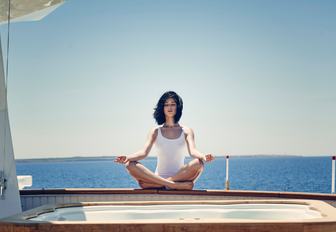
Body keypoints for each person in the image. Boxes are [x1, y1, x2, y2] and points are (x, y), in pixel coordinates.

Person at [114, 91, 214, 190]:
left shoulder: (186, 130)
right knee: (129, 164)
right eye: (166, 105)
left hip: (180, 176)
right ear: (162, 108)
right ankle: (172, 185)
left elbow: (193, 151)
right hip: (160, 177)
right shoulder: (155, 131)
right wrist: (127, 157)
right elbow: (143, 153)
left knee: (199, 163)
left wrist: (203, 156)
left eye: (173, 104)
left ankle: (161, 184)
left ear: (177, 107)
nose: (169, 107)